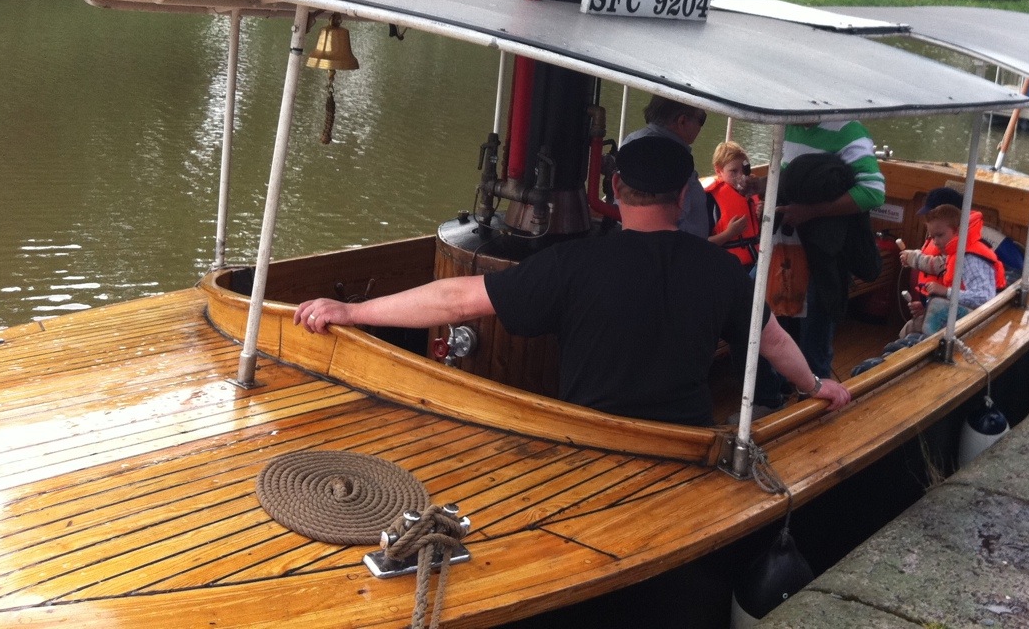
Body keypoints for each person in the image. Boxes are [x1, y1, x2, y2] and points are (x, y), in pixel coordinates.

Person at [294, 135, 850, 426]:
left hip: (593, 440)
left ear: (614, 189)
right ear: (685, 195)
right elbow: (773, 342)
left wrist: (351, 312)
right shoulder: (720, 269)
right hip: (686, 443)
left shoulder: (574, 264)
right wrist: (815, 386)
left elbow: (457, 300)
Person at [759, 120, 883, 401]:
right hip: (782, 250)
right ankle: (770, 398)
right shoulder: (788, 125)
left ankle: (816, 409)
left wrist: (811, 212)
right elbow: (786, 174)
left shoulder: (849, 132)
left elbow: (873, 192)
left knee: (814, 340)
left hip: (822, 256)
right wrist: (760, 185)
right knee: (761, 320)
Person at [898, 203, 1005, 337]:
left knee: (911, 330)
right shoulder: (955, 252)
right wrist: (929, 308)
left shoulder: (969, 258)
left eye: (940, 235)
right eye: (932, 237)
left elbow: (984, 298)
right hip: (959, 317)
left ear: (958, 231)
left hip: (974, 326)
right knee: (910, 327)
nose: (935, 242)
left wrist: (945, 291)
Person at [621, 96, 710, 238]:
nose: (700, 127)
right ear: (682, 121)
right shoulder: (670, 158)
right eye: (702, 119)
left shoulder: (633, 142)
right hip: (677, 246)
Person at [705, 141, 762, 266]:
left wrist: (762, 216)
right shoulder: (710, 200)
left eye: (744, 170)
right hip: (727, 267)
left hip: (757, 261)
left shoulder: (752, 192)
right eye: (733, 171)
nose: (741, 176)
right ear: (719, 171)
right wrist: (729, 234)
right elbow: (701, 243)